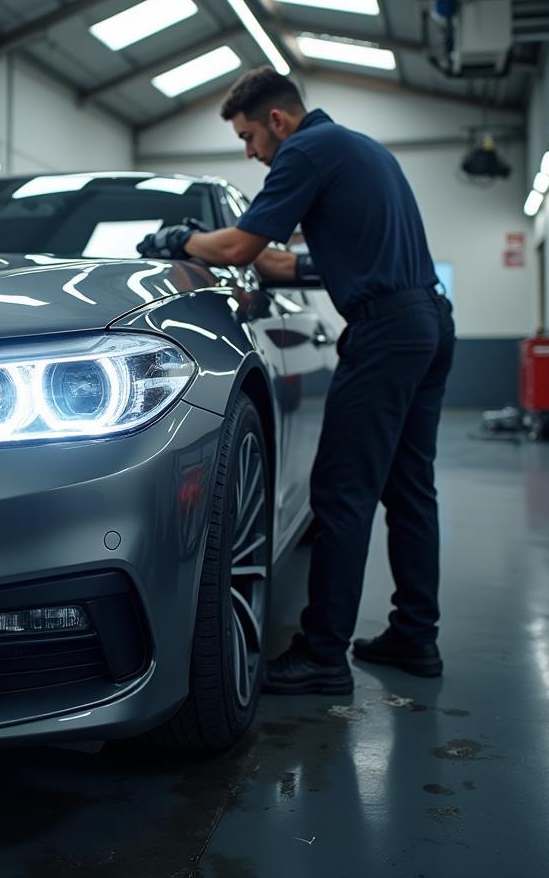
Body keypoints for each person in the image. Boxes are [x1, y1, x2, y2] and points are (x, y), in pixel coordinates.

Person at [137, 67, 455, 695]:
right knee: (411, 488)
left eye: (249, 136)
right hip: (428, 321)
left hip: (385, 331)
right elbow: (280, 260)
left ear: (276, 121)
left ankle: (322, 654)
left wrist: (181, 238)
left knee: (341, 493)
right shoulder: (355, 149)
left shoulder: (305, 150)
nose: (250, 151)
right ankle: (415, 636)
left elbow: (236, 250)